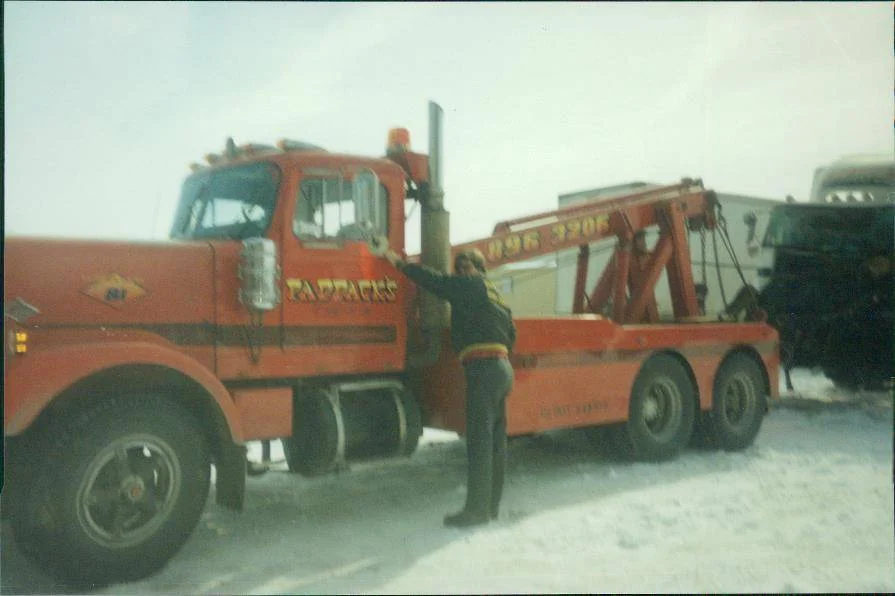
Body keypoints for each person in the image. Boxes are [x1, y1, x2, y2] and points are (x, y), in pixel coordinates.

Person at [384, 247, 516, 527]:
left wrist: (400, 264)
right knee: (495, 444)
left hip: (483, 367)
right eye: (460, 268)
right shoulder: (496, 295)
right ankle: (490, 507)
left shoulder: (470, 286)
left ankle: (476, 512)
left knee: (479, 442)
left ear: (479, 269)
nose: (463, 273)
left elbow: (437, 282)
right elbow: (512, 334)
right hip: (501, 368)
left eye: (467, 267)